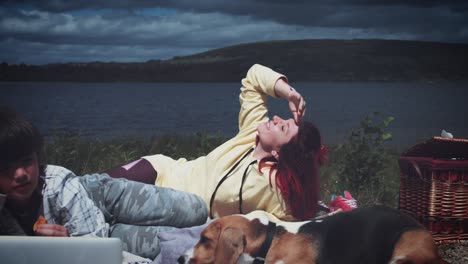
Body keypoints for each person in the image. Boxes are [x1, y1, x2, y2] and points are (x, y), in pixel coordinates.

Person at [107, 64, 328, 221]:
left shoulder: (273, 188)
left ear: (280, 153)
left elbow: (289, 219)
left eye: (282, 127)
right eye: (283, 120)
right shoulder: (253, 131)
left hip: (180, 207)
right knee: (97, 185)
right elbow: (253, 77)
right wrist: (289, 93)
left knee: (107, 200)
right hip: (163, 171)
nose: (277, 118)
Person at [0, 107, 208, 259]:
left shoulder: (57, 182)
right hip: (100, 232)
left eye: (27, 161)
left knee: (197, 210)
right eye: (6, 167)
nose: (20, 174)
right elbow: (96, 250)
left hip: (100, 197)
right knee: (185, 244)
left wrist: (68, 245)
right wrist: (69, 243)